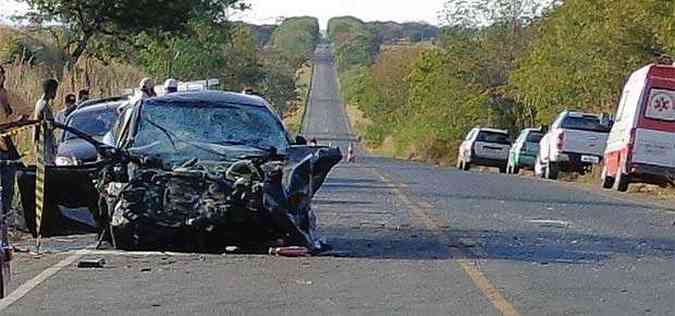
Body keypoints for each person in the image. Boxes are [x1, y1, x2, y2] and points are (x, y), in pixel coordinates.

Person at [0, 65, 29, 240]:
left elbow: (26, 111)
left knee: (9, 185)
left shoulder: (9, 96)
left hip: (6, 146)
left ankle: (6, 216)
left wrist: (17, 123)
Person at [33, 79, 59, 165]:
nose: (55, 94)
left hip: (47, 140)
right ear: (51, 90)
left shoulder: (44, 104)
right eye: (55, 91)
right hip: (44, 142)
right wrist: (37, 142)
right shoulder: (42, 105)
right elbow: (38, 124)